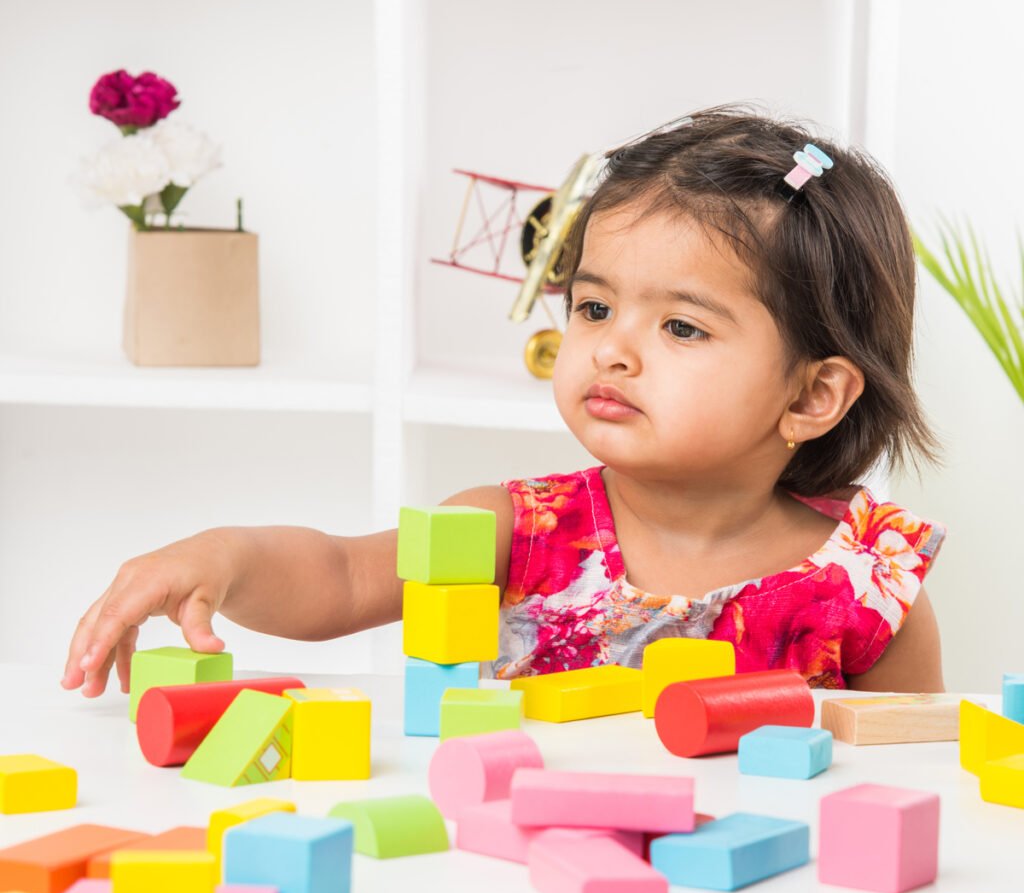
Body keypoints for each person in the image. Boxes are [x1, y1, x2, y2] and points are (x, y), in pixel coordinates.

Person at [61, 106, 945, 698]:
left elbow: (914, 787)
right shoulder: (517, 531)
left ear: (814, 393)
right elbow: (341, 578)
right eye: (594, 307)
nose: (612, 348)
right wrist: (224, 556)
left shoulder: (870, 587)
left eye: (681, 328)